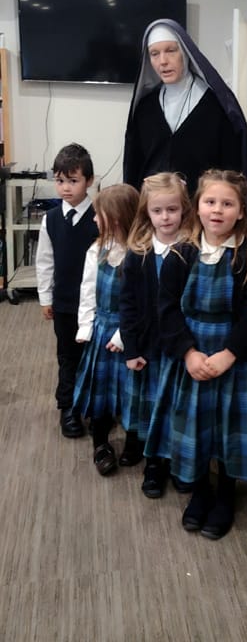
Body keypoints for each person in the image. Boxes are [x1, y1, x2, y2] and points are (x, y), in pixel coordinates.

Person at [145, 168, 247, 540]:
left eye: (227, 203)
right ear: (196, 207)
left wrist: (229, 355)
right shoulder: (180, 254)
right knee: (196, 427)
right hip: (192, 355)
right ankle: (200, 491)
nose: (217, 210)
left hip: (234, 358)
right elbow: (166, 310)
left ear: (241, 210)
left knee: (228, 430)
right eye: (210, 201)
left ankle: (225, 496)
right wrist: (188, 354)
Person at [123, 19, 247, 219]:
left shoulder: (216, 104)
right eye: (155, 54)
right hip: (158, 215)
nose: (163, 61)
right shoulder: (145, 107)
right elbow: (135, 166)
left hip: (204, 215)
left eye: (170, 50)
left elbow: (232, 165)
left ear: (184, 52)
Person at [119, 172, 191, 498]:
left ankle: (179, 463)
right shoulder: (138, 252)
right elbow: (128, 303)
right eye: (157, 211)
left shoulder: (193, 249)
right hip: (148, 347)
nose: (165, 217)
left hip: (181, 346)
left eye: (172, 210)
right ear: (146, 212)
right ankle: (154, 465)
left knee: (179, 408)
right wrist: (131, 347)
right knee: (152, 409)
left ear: (184, 209)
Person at [73, 184, 139, 475]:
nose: (93, 220)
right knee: (99, 395)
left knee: (131, 393)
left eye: (98, 215)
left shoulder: (138, 255)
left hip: (128, 333)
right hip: (100, 330)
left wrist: (125, 334)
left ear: (114, 218)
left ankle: (134, 442)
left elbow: (140, 303)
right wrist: (85, 326)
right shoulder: (96, 250)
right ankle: (100, 443)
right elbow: (87, 291)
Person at [36, 143, 98, 438]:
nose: (65, 187)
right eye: (60, 180)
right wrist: (45, 298)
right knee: (67, 355)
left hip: (94, 304)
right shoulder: (50, 219)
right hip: (63, 303)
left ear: (90, 180)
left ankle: (96, 406)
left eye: (73, 181)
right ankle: (68, 408)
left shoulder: (101, 217)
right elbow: (45, 261)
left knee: (93, 355)